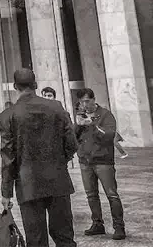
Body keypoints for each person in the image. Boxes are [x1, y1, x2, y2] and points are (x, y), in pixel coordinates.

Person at [0, 69, 77, 247]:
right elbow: (72, 142)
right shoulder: (56, 107)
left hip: (28, 183)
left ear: (14, 87)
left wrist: (6, 192)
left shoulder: (7, 116)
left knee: (36, 239)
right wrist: (60, 160)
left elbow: (8, 157)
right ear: (35, 85)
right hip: (57, 178)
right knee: (65, 236)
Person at [75, 88, 125, 240]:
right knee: (91, 195)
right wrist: (78, 125)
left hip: (103, 161)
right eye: (82, 102)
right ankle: (97, 224)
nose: (84, 104)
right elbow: (73, 137)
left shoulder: (105, 114)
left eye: (87, 101)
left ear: (93, 99)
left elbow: (109, 136)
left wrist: (92, 125)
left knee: (112, 194)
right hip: (85, 161)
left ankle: (119, 227)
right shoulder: (80, 116)